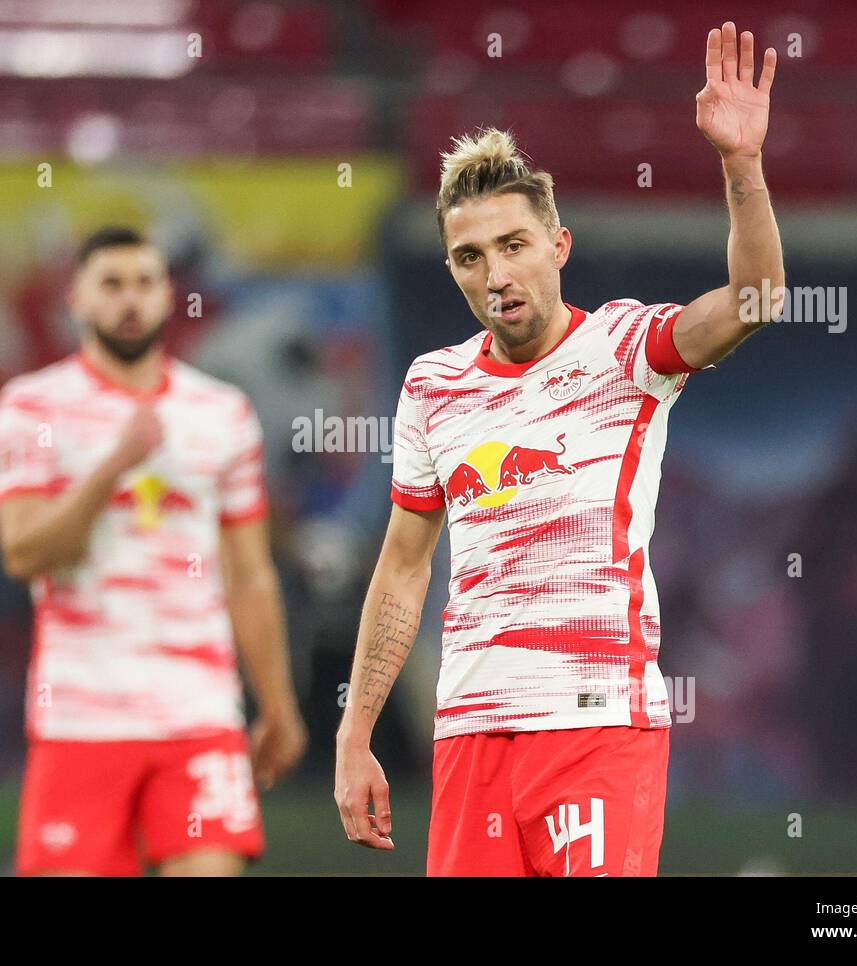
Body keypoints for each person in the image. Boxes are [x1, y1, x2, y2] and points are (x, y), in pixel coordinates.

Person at [335, 22, 784, 876]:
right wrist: (355, 732)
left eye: (512, 247)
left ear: (557, 247)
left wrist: (741, 165)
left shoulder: (626, 350)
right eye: (469, 257)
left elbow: (757, 300)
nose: (495, 274)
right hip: (471, 733)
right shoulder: (432, 386)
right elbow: (402, 567)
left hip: (598, 721)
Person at [0, 226, 306, 876]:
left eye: (144, 283)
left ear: (168, 296)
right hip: (81, 716)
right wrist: (112, 468)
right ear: (76, 299)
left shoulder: (222, 414)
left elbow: (249, 574)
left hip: (199, 711)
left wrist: (276, 704)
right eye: (110, 285)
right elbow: (24, 553)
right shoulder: (32, 407)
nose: (129, 300)